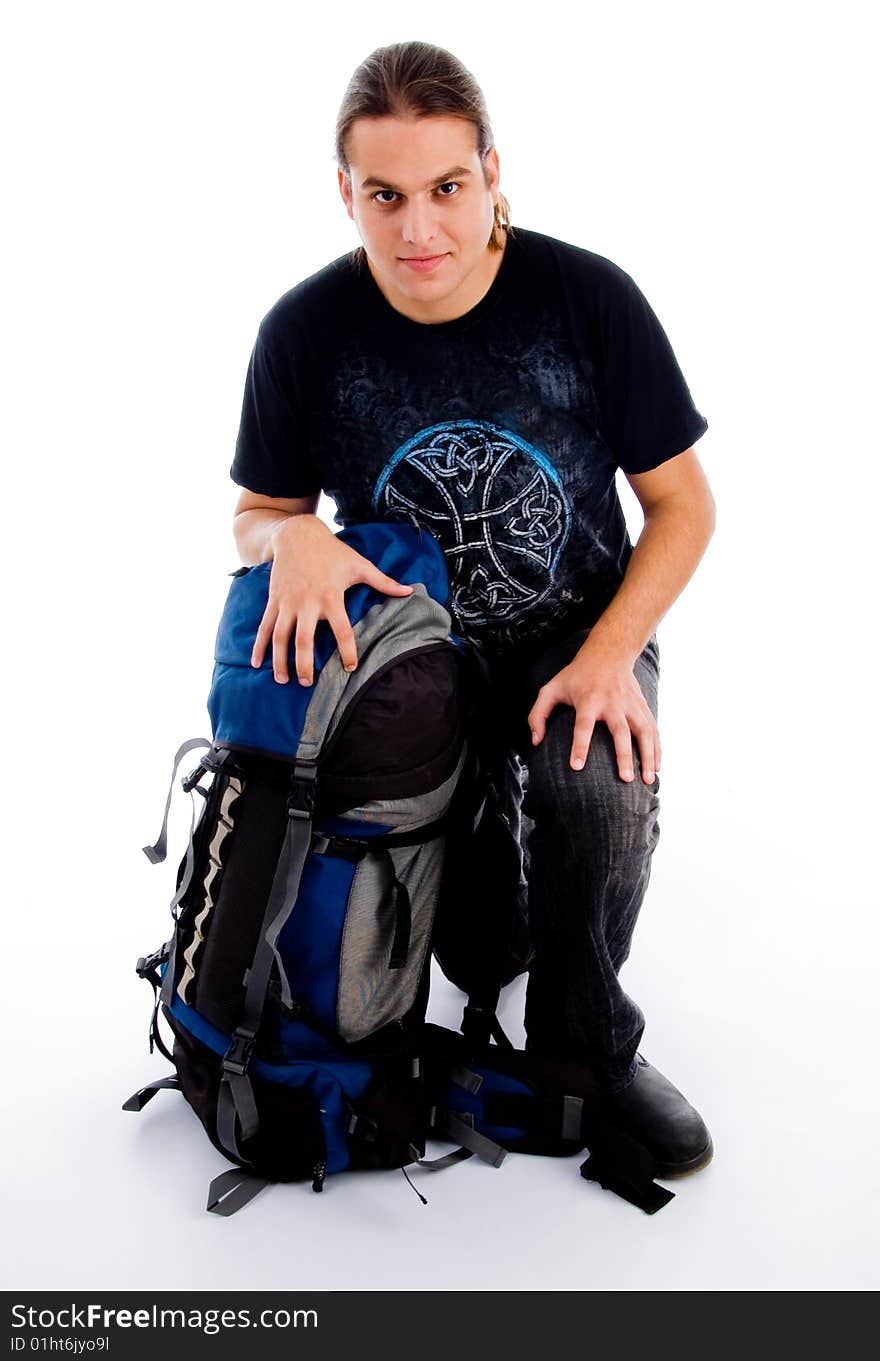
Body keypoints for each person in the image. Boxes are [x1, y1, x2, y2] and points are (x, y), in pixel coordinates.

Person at [229, 41, 716, 1178]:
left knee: (591, 785)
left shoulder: (585, 299)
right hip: (418, 663)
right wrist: (291, 532)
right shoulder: (304, 333)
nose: (418, 232)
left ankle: (588, 1047)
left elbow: (683, 505)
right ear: (343, 193)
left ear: (493, 172)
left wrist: (609, 659)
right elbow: (258, 513)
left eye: (447, 188)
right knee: (480, 940)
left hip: (573, 638)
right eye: (384, 196)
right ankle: (483, 896)